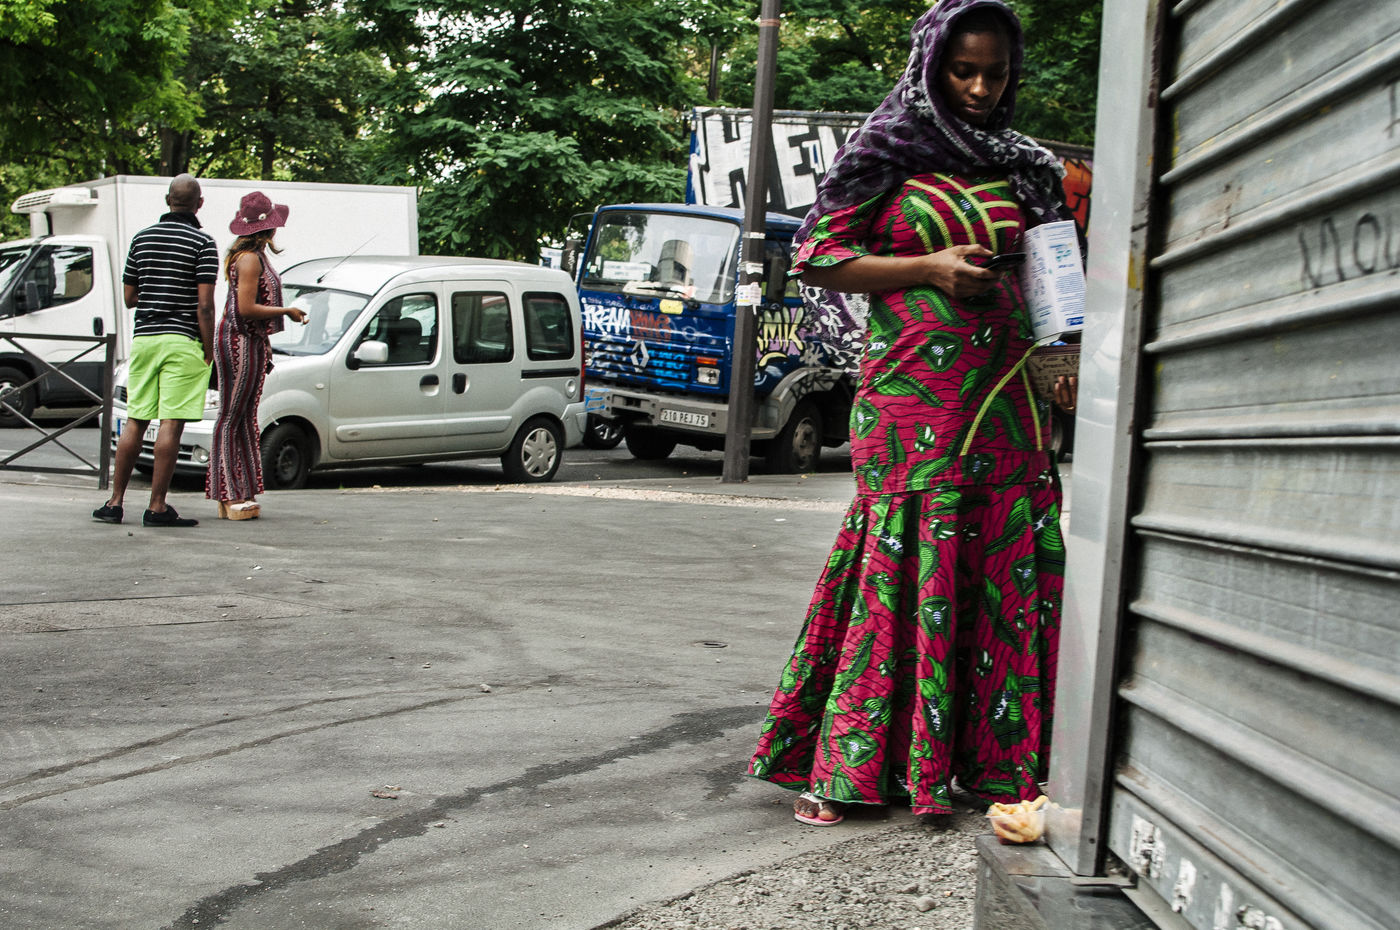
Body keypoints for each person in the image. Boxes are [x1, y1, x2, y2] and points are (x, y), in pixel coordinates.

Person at [746, 0, 1076, 827]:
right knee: (900, 563)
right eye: (963, 71)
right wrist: (927, 268)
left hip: (1006, 401)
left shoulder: (1029, 169)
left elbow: (1056, 279)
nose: (979, 88)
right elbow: (819, 256)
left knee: (1004, 569)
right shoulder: (884, 150)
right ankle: (854, 769)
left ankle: (999, 764)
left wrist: (1063, 355)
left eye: (995, 74)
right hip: (911, 401)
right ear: (932, 67)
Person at [93, 174, 218, 527]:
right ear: (199, 204)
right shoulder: (203, 243)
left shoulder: (142, 238)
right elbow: (205, 305)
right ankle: (157, 507)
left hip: (145, 340)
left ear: (167, 200)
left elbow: (129, 297)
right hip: (182, 342)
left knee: (136, 419)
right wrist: (209, 348)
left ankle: (114, 503)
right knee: (171, 423)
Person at [205, 191, 305, 520]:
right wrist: (286, 311)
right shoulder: (249, 259)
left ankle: (243, 489)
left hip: (252, 341)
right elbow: (246, 308)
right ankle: (227, 492)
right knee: (230, 417)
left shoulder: (256, 256)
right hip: (238, 341)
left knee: (246, 418)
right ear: (269, 228)